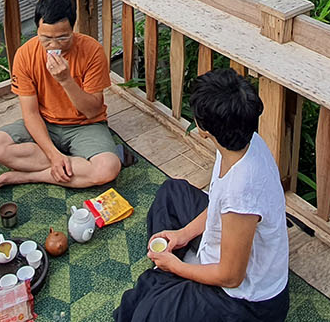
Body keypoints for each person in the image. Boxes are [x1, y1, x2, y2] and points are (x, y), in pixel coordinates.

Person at [114, 68, 289, 322]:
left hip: (245, 302)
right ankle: (172, 272)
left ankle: (171, 273)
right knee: (172, 193)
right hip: (224, 248)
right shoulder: (240, 139)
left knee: (144, 313)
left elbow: (231, 276)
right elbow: (218, 202)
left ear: (203, 128)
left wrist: (177, 267)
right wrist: (182, 234)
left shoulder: (242, 192)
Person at [0, 0, 123, 189]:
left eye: (62, 38)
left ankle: (30, 176)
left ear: (73, 30)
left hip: (84, 125)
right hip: (44, 122)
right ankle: (68, 165)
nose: (53, 45)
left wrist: (66, 80)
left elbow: (93, 111)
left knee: (107, 169)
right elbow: (30, 113)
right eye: (46, 38)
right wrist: (54, 154)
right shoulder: (25, 55)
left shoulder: (92, 51)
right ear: (37, 30)